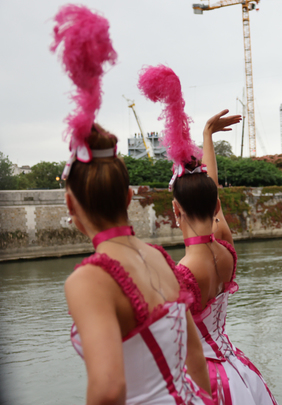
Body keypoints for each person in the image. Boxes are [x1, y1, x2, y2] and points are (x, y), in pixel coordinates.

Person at [55, 6, 211, 403]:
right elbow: (195, 358)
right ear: (128, 197)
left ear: (71, 206)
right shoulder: (160, 258)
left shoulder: (89, 280)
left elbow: (109, 390)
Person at [138, 65, 277, 405]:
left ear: (175, 210)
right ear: (216, 206)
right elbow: (211, 192)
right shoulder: (225, 247)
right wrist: (206, 139)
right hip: (240, 373)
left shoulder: (182, 273)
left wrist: (205, 137)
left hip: (208, 380)